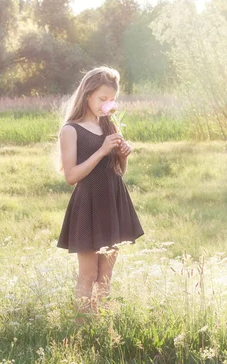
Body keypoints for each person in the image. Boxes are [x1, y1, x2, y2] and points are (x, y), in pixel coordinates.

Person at [56, 66, 144, 321]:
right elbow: (71, 176)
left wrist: (121, 155)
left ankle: (102, 325)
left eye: (111, 100)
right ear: (87, 95)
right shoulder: (71, 130)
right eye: (101, 99)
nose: (107, 105)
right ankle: (82, 326)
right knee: (88, 274)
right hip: (89, 204)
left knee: (105, 275)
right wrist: (102, 150)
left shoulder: (110, 125)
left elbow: (118, 170)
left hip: (113, 201)